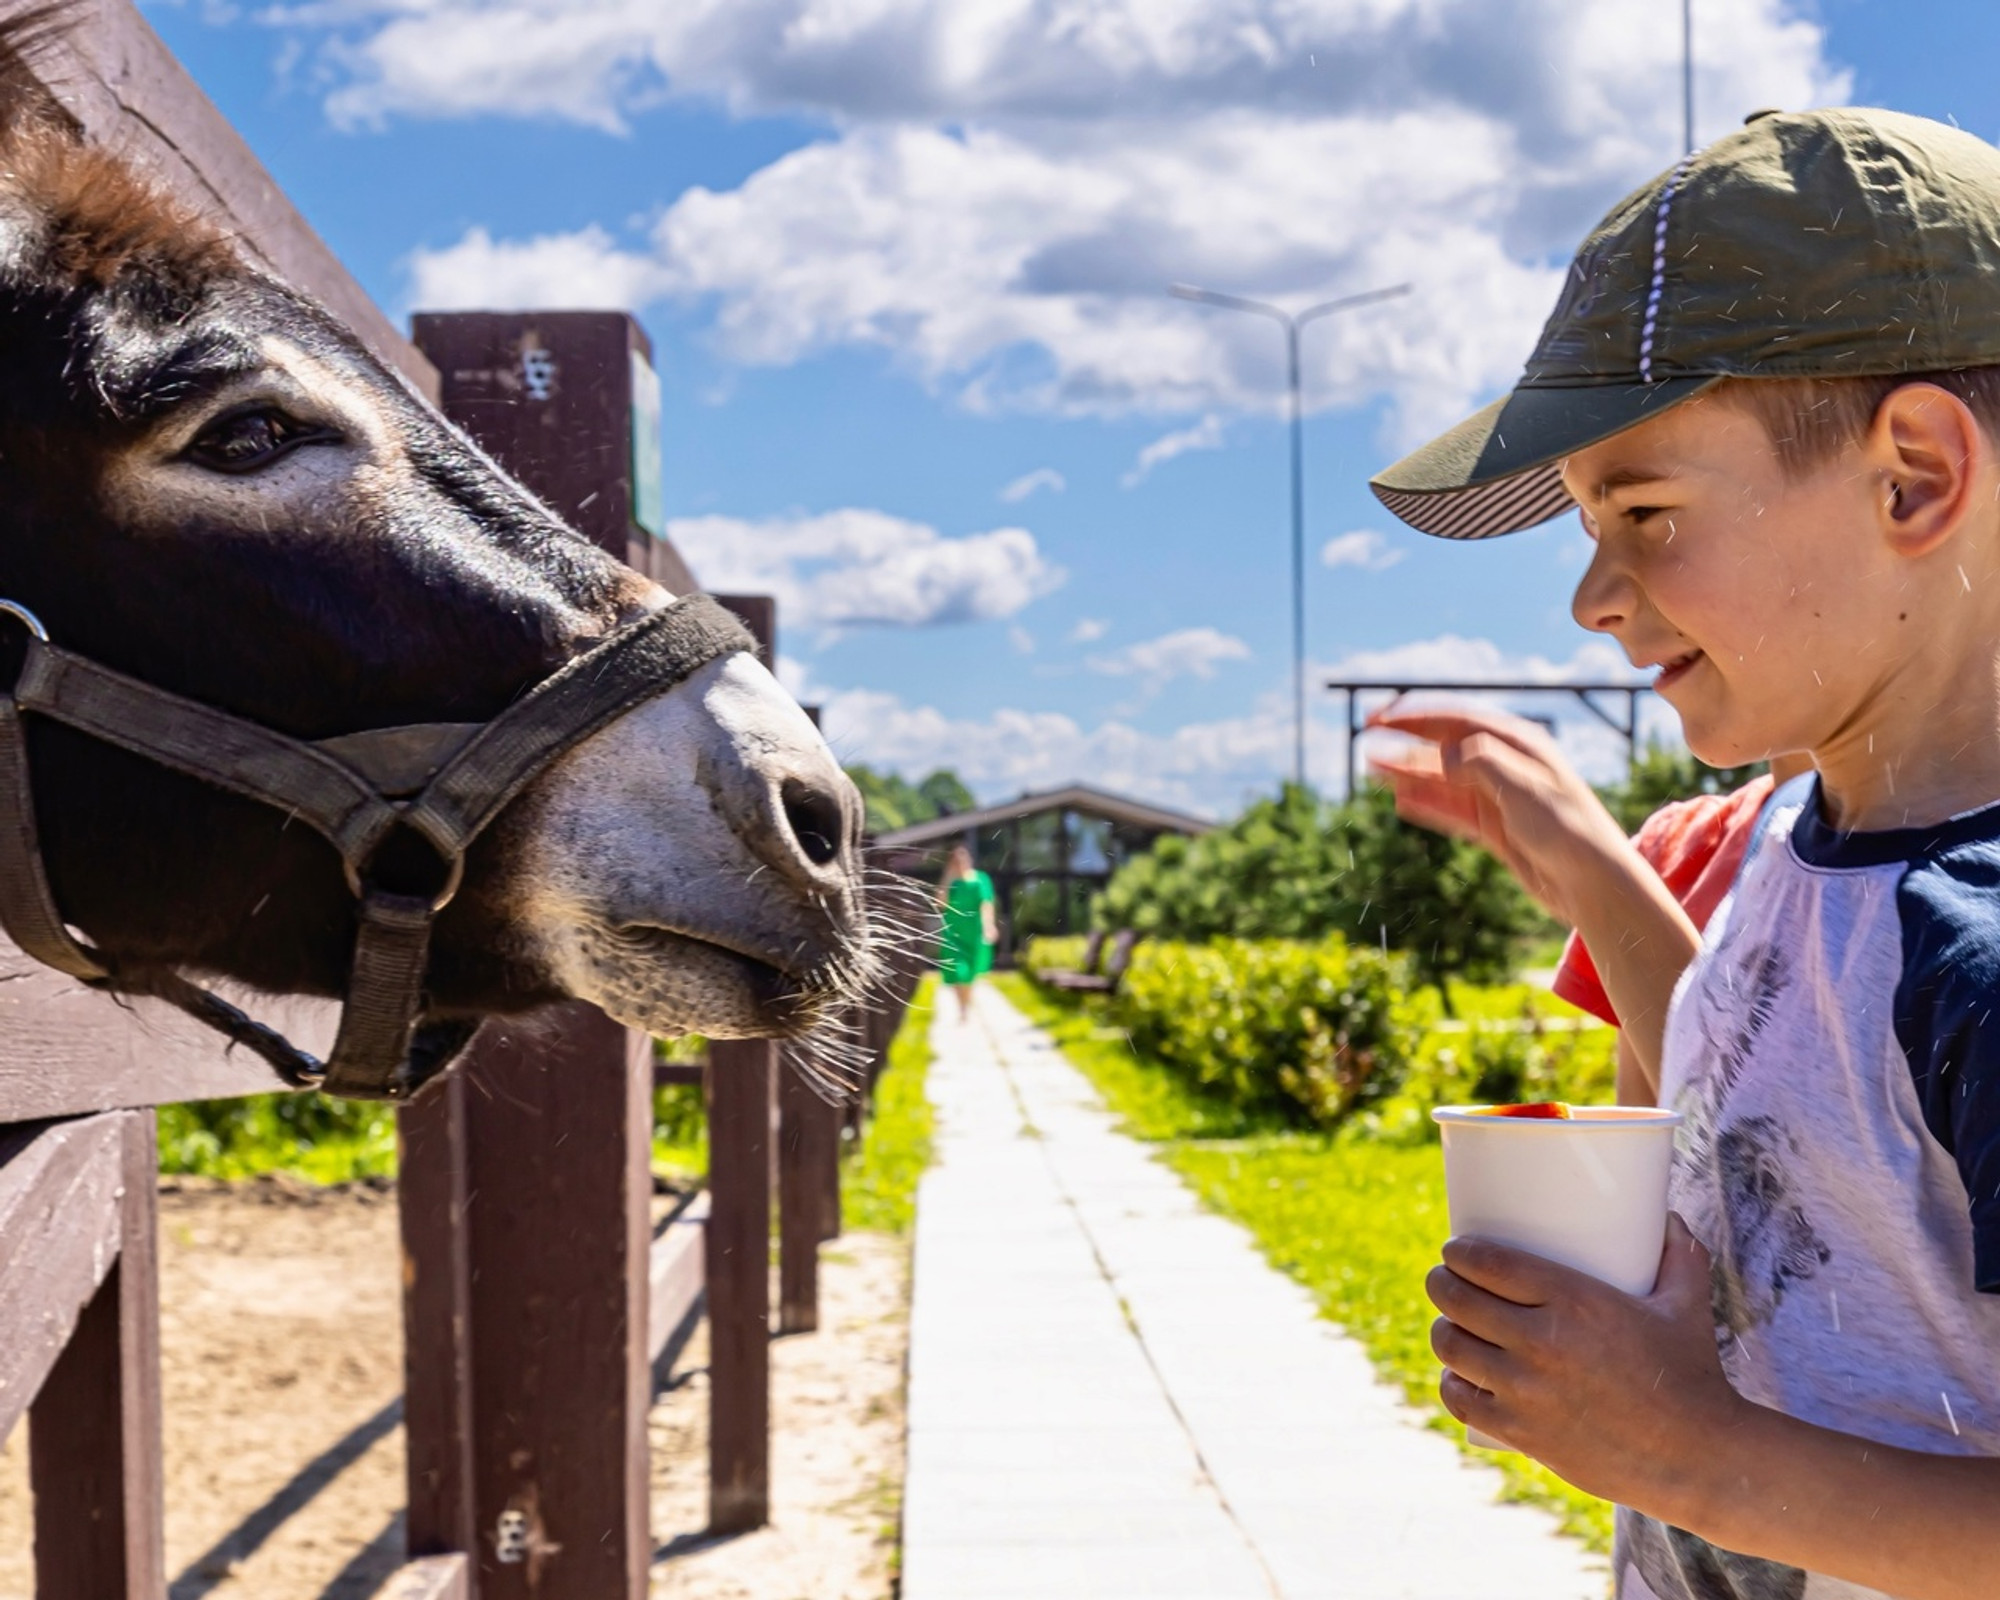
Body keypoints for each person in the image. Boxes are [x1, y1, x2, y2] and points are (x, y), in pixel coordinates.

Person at [1365, 108, 2000, 1600]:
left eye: (1644, 512)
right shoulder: (1796, 836)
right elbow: (1788, 1091)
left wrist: (1685, 1454)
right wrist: (1595, 877)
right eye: (1589, 525)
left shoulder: (1980, 937)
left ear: (1912, 476)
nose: (1593, 595)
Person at [935, 843, 996, 1021]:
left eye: (963, 859)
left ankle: (964, 1005)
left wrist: (988, 926)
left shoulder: (980, 879)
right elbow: (940, 903)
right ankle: (962, 1006)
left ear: (969, 860)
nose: (961, 863)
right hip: (953, 933)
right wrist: (947, 875)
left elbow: (986, 904)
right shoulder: (952, 882)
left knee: (968, 974)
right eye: (956, 861)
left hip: (973, 933)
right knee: (957, 971)